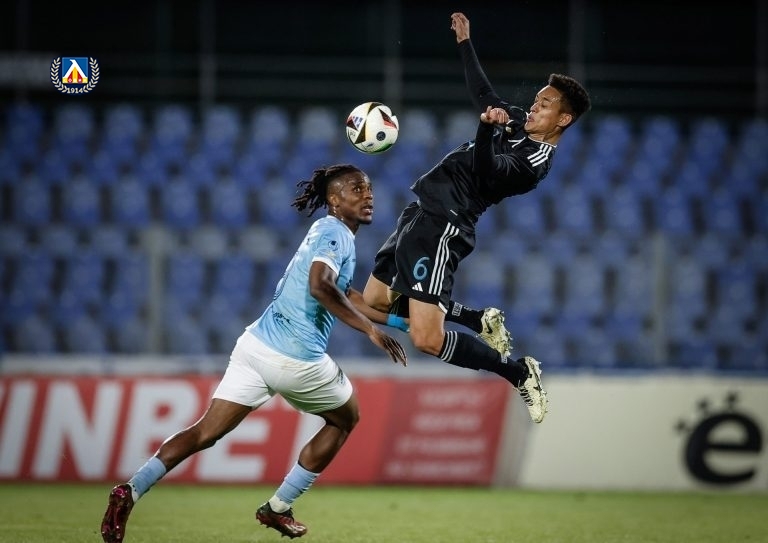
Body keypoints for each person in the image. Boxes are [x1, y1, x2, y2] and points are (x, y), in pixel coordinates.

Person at [100, 164, 408, 542]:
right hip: (295, 358)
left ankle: (129, 490)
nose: (368, 195)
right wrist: (370, 330)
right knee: (346, 419)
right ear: (334, 199)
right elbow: (321, 287)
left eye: (369, 188)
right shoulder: (335, 233)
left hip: (255, 346)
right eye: (356, 189)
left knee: (204, 432)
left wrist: (397, 322)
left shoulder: (326, 230)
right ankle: (278, 507)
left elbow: (345, 292)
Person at [363, 12, 591, 424]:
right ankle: (473, 318)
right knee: (374, 301)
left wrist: (486, 129)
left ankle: (518, 372)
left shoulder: (535, 163)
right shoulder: (517, 122)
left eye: (545, 104)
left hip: (444, 226)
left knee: (426, 339)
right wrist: (465, 44)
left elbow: (488, 169)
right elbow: (484, 93)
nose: (534, 106)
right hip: (420, 212)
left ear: (564, 119)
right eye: (537, 100)